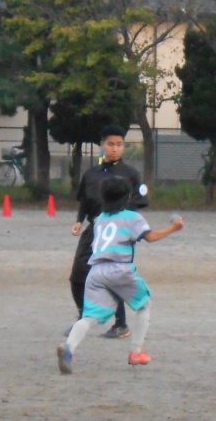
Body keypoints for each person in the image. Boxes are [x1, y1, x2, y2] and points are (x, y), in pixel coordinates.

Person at [57, 176, 183, 374]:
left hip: (96, 271)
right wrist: (174, 228)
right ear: (127, 197)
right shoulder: (132, 217)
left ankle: (68, 348)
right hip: (119, 269)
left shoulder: (99, 219)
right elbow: (150, 237)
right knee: (144, 304)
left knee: (90, 316)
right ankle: (136, 352)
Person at [69, 125, 147, 339]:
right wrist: (79, 221)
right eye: (111, 144)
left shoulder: (130, 174)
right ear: (102, 145)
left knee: (111, 277)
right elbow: (84, 202)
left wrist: (124, 219)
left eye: (119, 144)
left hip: (117, 233)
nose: (115, 148)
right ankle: (83, 316)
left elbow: (140, 201)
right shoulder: (91, 174)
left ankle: (121, 324)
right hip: (94, 229)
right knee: (77, 276)